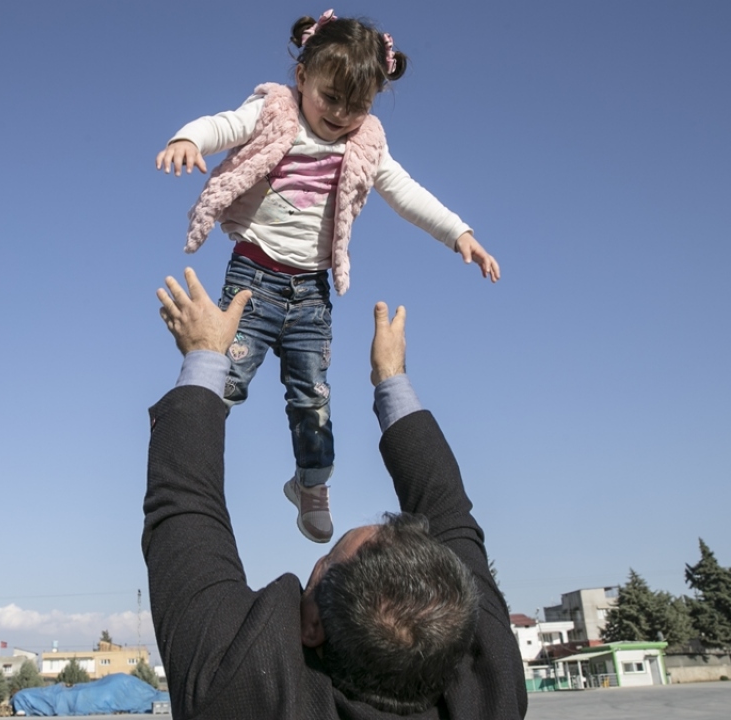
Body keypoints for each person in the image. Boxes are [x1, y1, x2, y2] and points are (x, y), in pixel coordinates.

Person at [155, 10, 500, 544]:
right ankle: (183, 438)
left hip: (311, 293)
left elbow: (406, 193)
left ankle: (311, 484)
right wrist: (189, 140)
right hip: (253, 276)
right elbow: (223, 124)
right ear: (302, 79)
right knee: (229, 376)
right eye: (330, 98)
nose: (340, 115)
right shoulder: (275, 112)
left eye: (356, 105)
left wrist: (459, 232)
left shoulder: (366, 144)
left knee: (312, 397)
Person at [144, 268, 526, 719]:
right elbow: (449, 512)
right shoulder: (489, 696)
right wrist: (391, 377)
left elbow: (185, 503)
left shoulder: (234, 688)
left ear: (312, 625)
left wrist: (206, 352)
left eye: (324, 563)